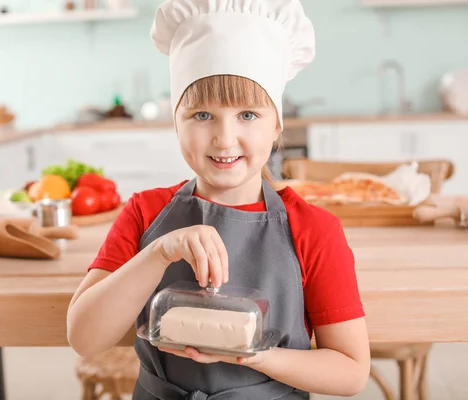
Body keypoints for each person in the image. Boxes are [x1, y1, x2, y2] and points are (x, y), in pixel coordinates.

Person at [66, 0, 371, 398]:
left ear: (277, 124)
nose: (224, 139)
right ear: (175, 122)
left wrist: (254, 354)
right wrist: (158, 253)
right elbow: (85, 338)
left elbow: (350, 371)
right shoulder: (146, 213)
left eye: (247, 115)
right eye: (202, 115)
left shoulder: (313, 229)